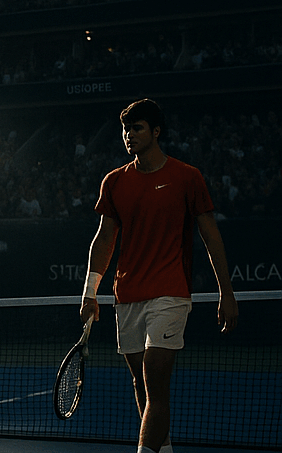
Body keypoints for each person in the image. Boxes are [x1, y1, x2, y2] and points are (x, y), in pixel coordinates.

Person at [80, 99, 239, 453]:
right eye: (125, 129)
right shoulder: (114, 181)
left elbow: (212, 236)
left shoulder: (187, 177)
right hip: (128, 296)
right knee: (141, 382)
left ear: (156, 132)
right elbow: (104, 239)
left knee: (155, 377)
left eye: (136, 128)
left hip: (170, 292)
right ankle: (162, 448)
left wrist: (225, 292)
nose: (129, 135)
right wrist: (89, 293)